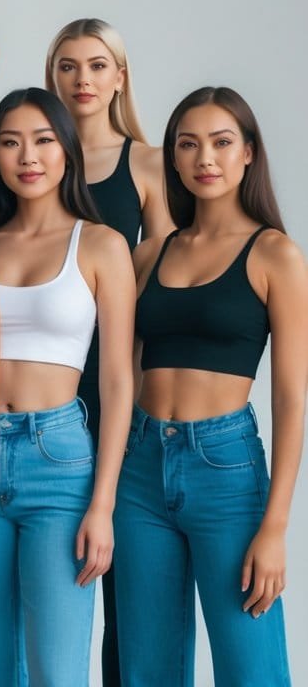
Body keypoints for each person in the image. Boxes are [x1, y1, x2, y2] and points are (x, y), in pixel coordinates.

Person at [116, 87, 306, 685]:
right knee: (147, 667)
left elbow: (292, 398)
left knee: (251, 668)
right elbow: (121, 375)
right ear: (172, 158)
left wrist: (274, 527)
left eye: (222, 143)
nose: (206, 158)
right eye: (188, 144)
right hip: (140, 469)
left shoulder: (275, 255)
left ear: (248, 153)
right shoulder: (148, 255)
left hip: (225, 469)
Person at [0, 88, 133, 685]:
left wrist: (104, 504)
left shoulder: (101, 246)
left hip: (58, 458)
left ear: (66, 151)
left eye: (42, 140)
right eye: (10, 142)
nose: (27, 156)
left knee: (58, 670)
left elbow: (117, 382)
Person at [45, 18, 172, 684]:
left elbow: (175, 276)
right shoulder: (36, 162)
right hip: (50, 394)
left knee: (126, 586)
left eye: (96, 65)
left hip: (123, 382)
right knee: (55, 581)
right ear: (51, 78)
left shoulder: (147, 164)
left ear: (118, 76)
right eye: (67, 66)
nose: (81, 79)